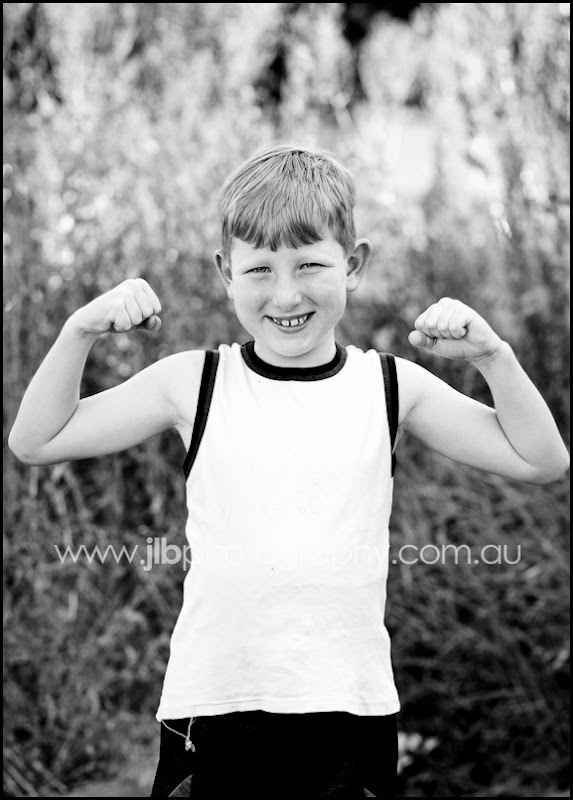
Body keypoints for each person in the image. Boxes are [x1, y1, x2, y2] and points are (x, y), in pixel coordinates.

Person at [9, 145, 569, 799]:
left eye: (309, 265)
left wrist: (493, 357)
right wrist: (79, 331)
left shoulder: (389, 386)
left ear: (352, 264)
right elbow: (37, 440)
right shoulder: (195, 382)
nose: (285, 294)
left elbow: (540, 459)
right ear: (225, 273)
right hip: (216, 704)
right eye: (259, 269)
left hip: (349, 708)